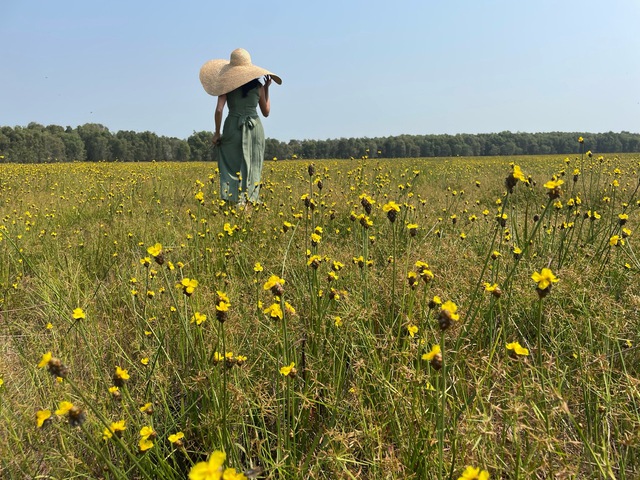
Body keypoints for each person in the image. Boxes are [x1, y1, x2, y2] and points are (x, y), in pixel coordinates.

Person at [199, 48, 282, 204]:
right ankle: (250, 199)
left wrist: (217, 133)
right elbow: (266, 112)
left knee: (231, 163)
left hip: (233, 126)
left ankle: (234, 198)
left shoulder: (226, 86)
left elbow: (218, 110)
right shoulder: (258, 86)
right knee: (253, 163)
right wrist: (266, 88)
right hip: (255, 127)